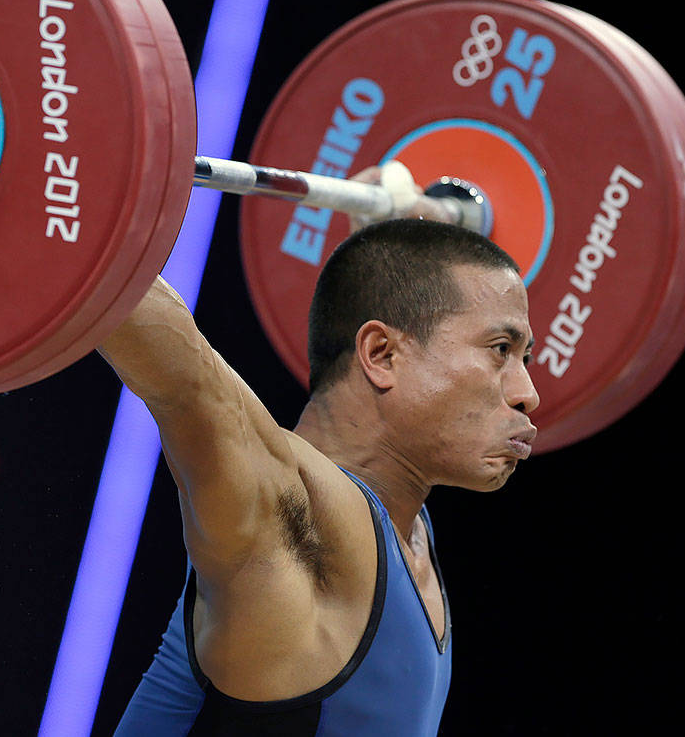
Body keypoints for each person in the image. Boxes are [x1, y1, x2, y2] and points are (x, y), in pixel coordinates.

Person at [98, 168, 540, 735]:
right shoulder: (298, 529)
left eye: (523, 355)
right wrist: (67, 213)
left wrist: (393, 243)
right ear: (380, 354)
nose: (528, 392)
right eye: (501, 349)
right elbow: (191, 385)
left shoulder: (405, 527)